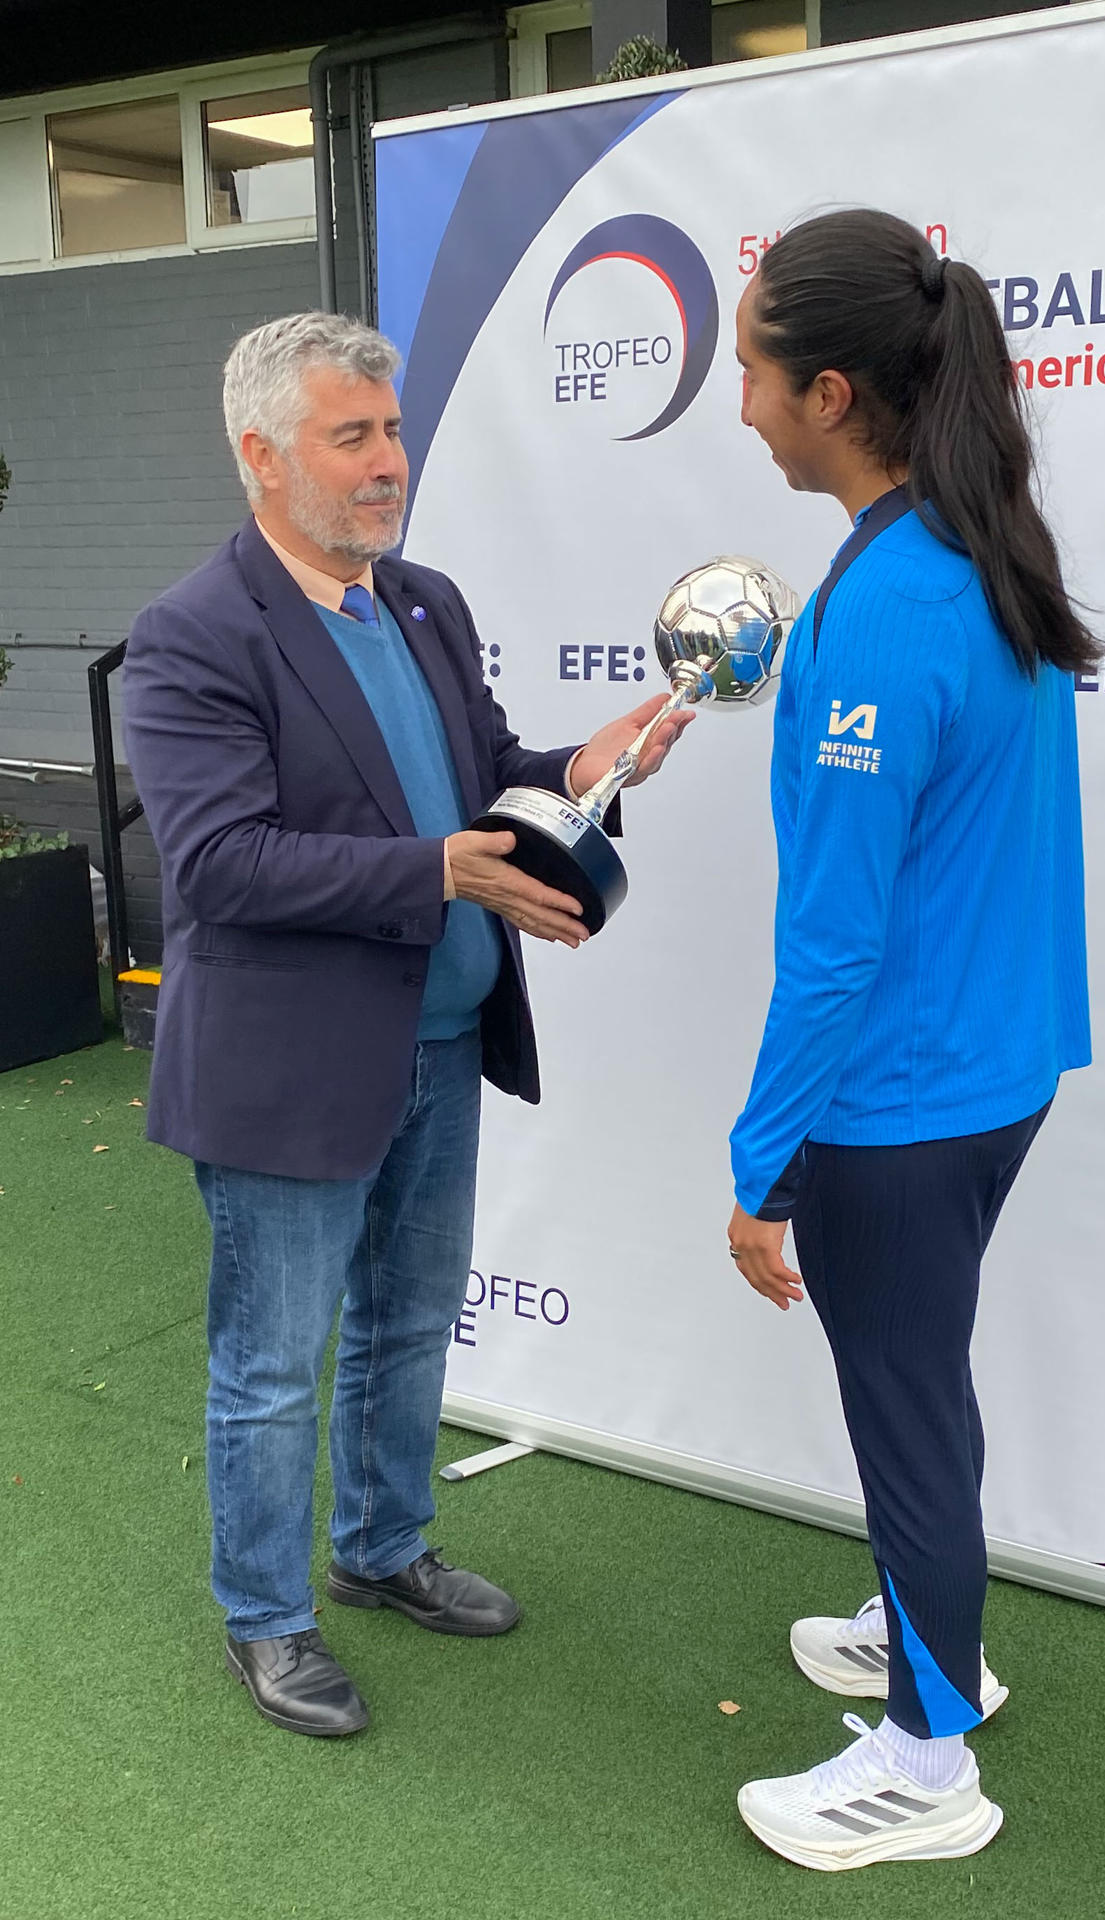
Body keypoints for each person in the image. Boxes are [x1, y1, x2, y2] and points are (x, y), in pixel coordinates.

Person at [124, 312, 690, 1739]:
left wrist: (584, 761)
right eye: (353, 436)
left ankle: (382, 1550)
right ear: (262, 456)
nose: (390, 463)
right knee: (270, 1365)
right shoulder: (195, 635)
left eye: (393, 431)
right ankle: (266, 1619)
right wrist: (440, 866)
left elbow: (484, 771)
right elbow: (217, 865)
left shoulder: (423, 601)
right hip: (286, 1075)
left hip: (442, 1046)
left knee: (411, 1326)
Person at [725, 212, 1093, 1870]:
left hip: (907, 1103)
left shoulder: (896, 600)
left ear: (832, 391)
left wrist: (761, 1164)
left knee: (905, 1412)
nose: (736, 401)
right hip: (992, 1077)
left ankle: (929, 1764)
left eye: (749, 370)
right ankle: (919, 1630)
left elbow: (838, 941)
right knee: (918, 1393)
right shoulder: (965, 548)